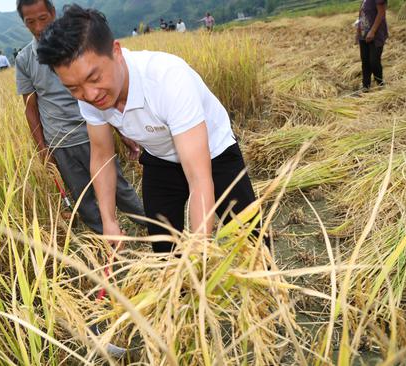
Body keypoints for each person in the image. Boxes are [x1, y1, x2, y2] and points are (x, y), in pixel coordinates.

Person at [37, 5, 258, 253]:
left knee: (250, 235)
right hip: (160, 155)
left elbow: (199, 179)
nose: (88, 94)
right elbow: (101, 157)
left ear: (116, 52)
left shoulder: (166, 79)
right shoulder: (88, 96)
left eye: (94, 78)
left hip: (214, 152)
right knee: (162, 243)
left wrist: (197, 256)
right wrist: (109, 221)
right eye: (73, 87)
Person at [15, 0, 144, 234]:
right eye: (30, 22)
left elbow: (103, 95)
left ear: (53, 13)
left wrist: (122, 131)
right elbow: (30, 109)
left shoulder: (77, 47)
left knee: (118, 188)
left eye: (43, 18)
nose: (38, 27)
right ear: (23, 23)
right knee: (82, 197)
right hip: (60, 142)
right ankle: (109, 245)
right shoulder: (25, 60)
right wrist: (44, 151)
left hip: (92, 133)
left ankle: (155, 228)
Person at [357, 0, 388, 90]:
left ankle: (380, 84)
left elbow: (381, 13)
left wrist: (372, 31)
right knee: (365, 61)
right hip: (363, 34)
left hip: (376, 34)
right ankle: (365, 86)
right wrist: (358, 29)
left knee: (374, 61)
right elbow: (362, 13)